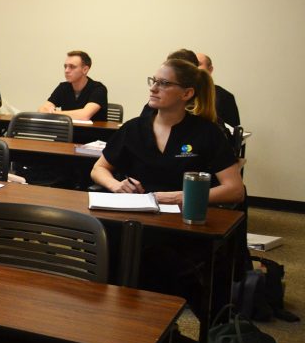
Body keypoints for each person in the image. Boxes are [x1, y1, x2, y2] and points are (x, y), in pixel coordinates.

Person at [91, 58, 243, 310]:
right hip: (136, 222)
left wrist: (179, 197)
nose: (153, 88)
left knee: (159, 261)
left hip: (183, 226)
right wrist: (116, 186)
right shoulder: (134, 129)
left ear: (187, 93)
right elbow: (99, 169)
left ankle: (154, 325)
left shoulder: (206, 133)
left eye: (163, 83)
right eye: (153, 81)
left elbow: (234, 189)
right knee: (105, 247)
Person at [38, 50, 108, 121]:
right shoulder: (63, 87)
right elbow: (42, 110)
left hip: (93, 131)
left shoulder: (99, 89)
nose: (66, 71)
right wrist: (47, 110)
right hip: (68, 131)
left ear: (85, 69)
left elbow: (84, 116)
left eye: (72, 67)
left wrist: (55, 113)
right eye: (65, 66)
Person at [197, 53, 241, 129]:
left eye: (198, 64)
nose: (194, 67)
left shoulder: (225, 97)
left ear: (210, 69)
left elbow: (234, 134)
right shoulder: (183, 95)